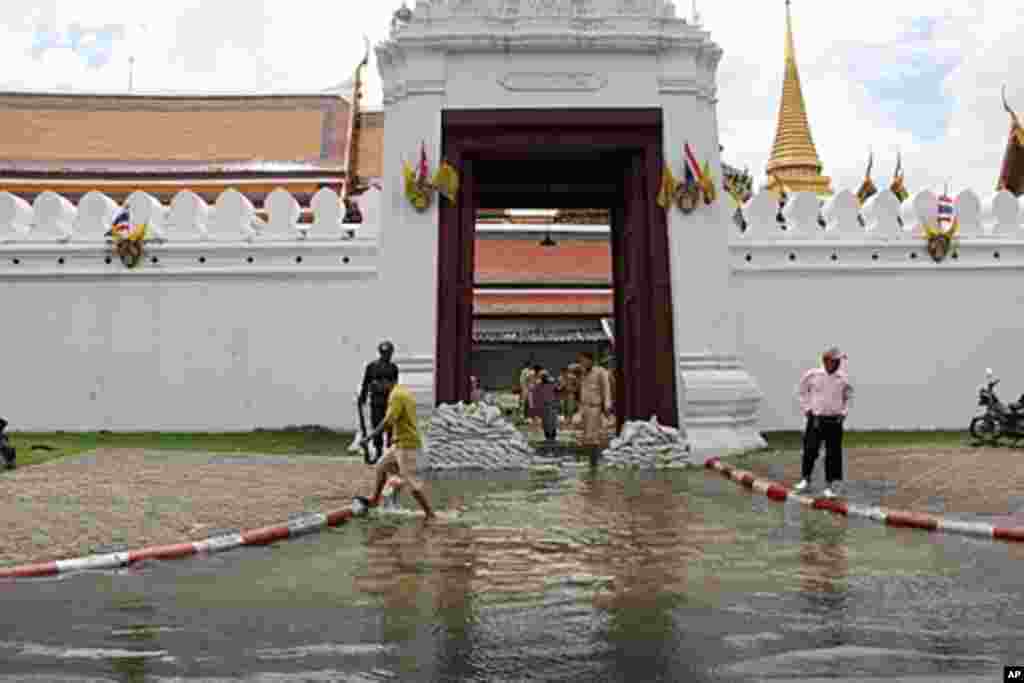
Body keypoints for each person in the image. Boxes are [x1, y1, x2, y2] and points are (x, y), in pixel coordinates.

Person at [360, 376, 435, 519]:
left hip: (407, 445)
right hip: (399, 443)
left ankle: (430, 514)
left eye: (378, 384)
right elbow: (398, 420)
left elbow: (389, 420)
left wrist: (368, 438)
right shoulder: (404, 392)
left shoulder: (396, 395)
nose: (378, 388)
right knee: (381, 466)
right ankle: (375, 500)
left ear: (386, 381)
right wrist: (391, 440)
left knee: (412, 483)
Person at [795, 346, 853, 498]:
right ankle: (805, 479)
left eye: (839, 361)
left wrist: (843, 413)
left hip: (835, 420)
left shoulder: (843, 378)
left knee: (833, 453)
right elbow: (802, 391)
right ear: (826, 361)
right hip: (816, 419)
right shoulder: (813, 375)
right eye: (835, 361)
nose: (839, 363)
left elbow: (849, 397)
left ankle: (830, 485)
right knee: (810, 449)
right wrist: (807, 408)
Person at [358, 340, 399, 464]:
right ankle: (379, 452)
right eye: (384, 353)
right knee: (377, 426)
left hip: (389, 401)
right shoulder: (371, 366)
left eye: (388, 353)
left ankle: (389, 452)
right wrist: (363, 397)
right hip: (376, 401)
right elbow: (366, 383)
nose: (386, 355)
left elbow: (395, 385)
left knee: (390, 427)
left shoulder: (393, 368)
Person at [577, 351, 612, 447]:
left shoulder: (600, 371)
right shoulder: (583, 373)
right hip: (585, 407)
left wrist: (607, 404)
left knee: (594, 435)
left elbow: (606, 388)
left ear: (590, 360)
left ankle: (594, 457)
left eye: (583, 361)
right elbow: (582, 390)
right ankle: (588, 456)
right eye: (581, 361)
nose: (582, 363)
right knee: (585, 435)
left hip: (595, 407)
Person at [534, 370, 560, 442]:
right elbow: (535, 396)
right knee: (545, 422)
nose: (543, 378)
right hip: (543, 406)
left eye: (545, 376)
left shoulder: (552, 384)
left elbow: (557, 393)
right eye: (542, 376)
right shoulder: (538, 385)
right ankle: (547, 436)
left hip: (552, 405)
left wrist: (557, 403)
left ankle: (553, 436)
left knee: (553, 421)